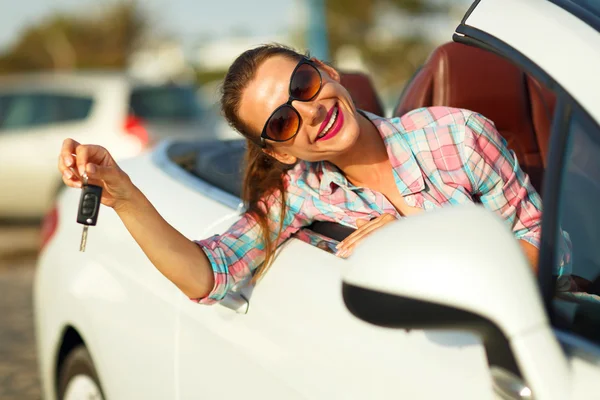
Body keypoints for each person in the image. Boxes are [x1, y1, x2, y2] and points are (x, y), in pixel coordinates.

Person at [58, 44, 572, 304]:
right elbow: (207, 275)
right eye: (281, 121)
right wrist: (123, 195)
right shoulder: (297, 196)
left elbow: (546, 246)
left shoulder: (457, 136)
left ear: (326, 71)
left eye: (302, 85)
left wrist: (422, 243)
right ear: (280, 152)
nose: (309, 113)